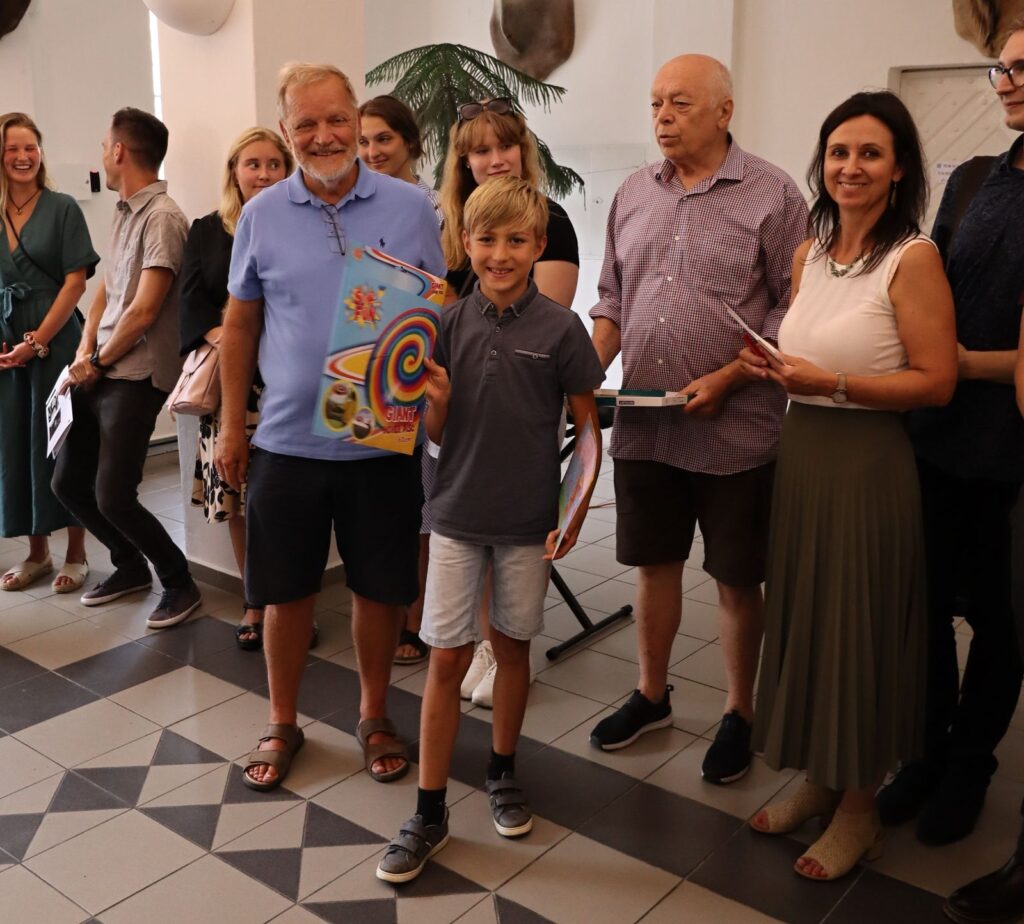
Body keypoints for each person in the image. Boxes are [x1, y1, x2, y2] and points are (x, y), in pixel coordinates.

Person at [744, 90, 957, 881]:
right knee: (809, 620)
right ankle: (822, 780)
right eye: (839, 152)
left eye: (870, 153)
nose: (851, 167)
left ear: (899, 169)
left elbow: (936, 381)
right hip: (805, 458)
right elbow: (809, 353)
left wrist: (831, 383)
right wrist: (778, 369)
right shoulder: (810, 252)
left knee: (858, 633)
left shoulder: (913, 258)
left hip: (868, 468)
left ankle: (860, 811)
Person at [217, 63, 444, 791]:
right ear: (287, 131)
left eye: (336, 119)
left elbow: (433, 308)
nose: (324, 136)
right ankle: (282, 719)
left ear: (357, 119)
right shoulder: (261, 214)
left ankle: (373, 714)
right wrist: (232, 425)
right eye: (306, 124)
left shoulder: (412, 207)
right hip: (286, 441)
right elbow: (240, 323)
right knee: (284, 592)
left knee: (379, 588)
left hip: (380, 439)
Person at [586, 54, 809, 788]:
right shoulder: (633, 192)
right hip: (647, 421)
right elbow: (612, 299)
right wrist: (586, 372)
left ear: (724, 111)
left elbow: (791, 309)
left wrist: (730, 376)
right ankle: (652, 694)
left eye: (679, 103)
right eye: (656, 103)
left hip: (737, 425)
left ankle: (740, 711)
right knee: (655, 564)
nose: (663, 117)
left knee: (737, 576)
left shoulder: (773, 193)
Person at [376, 176, 604, 884]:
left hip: (527, 524)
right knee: (445, 660)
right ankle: (429, 810)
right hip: (452, 518)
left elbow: (587, 431)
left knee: (512, 649)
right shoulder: (444, 325)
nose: (500, 254)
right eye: (486, 240)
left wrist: (572, 511)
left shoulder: (562, 330)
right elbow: (433, 436)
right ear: (465, 244)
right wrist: (437, 405)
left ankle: (502, 770)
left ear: (538, 246)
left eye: (516, 240)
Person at [878, 18, 1024, 854]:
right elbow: (920, 295)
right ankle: (927, 752)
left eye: (1022, 67)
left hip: (1015, 455)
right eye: (999, 69)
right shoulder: (970, 180)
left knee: (1002, 622)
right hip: (935, 435)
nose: (1008, 81)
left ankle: (971, 764)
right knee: (926, 606)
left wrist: (967, 363)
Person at [438, 96, 582, 706]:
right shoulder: (454, 227)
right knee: (468, 532)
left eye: (506, 146)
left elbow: (543, 325)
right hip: (459, 413)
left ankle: (505, 649)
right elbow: (444, 322)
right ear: (464, 162)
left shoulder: (552, 221)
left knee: (511, 539)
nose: (495, 159)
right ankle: (481, 645)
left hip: (520, 408)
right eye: (481, 150)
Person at [52, 107, 201, 629]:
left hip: (135, 375)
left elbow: (144, 310)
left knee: (114, 495)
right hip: (100, 368)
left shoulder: (163, 218)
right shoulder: (123, 211)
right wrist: (84, 347)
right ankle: (130, 566)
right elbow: (108, 292)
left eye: (103, 146)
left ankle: (179, 582)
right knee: (69, 484)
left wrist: (97, 360)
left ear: (119, 151)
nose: (102, 153)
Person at [178, 127, 293, 650]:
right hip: (232, 387)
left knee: (285, 499)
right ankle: (254, 600)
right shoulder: (207, 230)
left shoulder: (301, 224)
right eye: (253, 164)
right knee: (238, 496)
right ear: (234, 171)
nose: (264, 174)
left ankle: (290, 603)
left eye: (274, 164)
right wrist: (229, 337)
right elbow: (190, 300)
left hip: (287, 381)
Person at [357, 94, 440, 667]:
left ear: (409, 141)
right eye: (363, 141)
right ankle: (385, 606)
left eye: (383, 139)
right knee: (380, 500)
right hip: (364, 366)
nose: (372, 151)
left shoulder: (429, 206)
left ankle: (417, 615)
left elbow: (440, 289)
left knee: (421, 501)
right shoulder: (354, 205)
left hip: (418, 362)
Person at [0, 112, 97, 594]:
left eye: (31, 147)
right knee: (18, 443)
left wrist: (36, 342)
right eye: (12, 149)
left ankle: (77, 552)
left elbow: (76, 283)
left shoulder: (62, 208)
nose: (23, 157)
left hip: (55, 340)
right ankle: (37, 552)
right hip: (6, 347)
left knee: (62, 444)